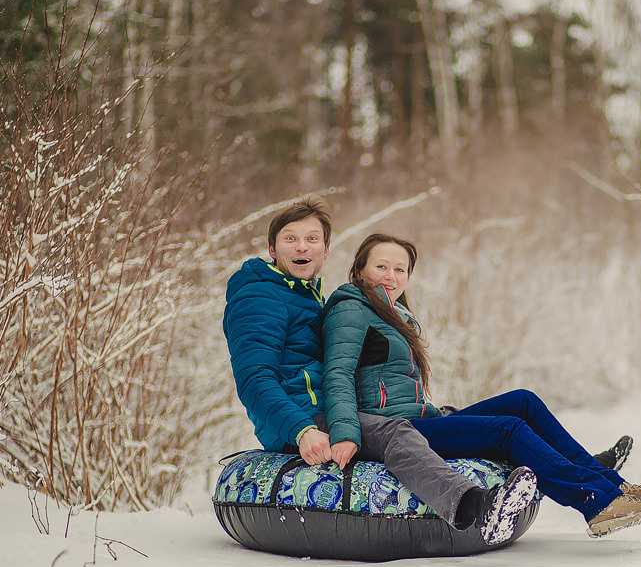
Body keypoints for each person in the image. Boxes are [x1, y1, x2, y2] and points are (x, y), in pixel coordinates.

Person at [223, 196, 540, 544]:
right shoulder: (260, 296)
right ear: (272, 247)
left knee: (479, 414)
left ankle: (571, 475)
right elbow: (254, 379)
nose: (302, 246)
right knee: (395, 432)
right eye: (291, 238)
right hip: (301, 421)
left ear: (326, 250)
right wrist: (301, 431)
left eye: (312, 238)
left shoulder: (305, 295)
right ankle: (474, 508)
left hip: (322, 413)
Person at [322, 233, 641, 538]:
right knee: (508, 430)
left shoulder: (394, 315)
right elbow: (337, 375)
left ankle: (614, 488)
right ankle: (595, 502)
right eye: (381, 266)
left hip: (423, 419)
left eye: (400, 269)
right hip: (396, 428)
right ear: (359, 271)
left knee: (523, 401)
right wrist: (346, 433)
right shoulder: (351, 311)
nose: (391, 276)